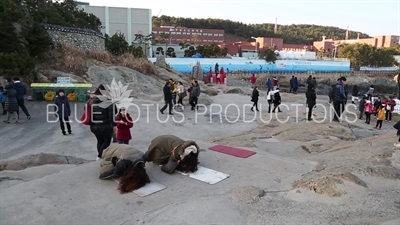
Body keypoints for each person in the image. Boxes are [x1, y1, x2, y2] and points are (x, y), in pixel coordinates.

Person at [90, 84, 118, 161]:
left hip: (94, 126)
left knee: (100, 141)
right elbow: (112, 115)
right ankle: (100, 156)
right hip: (106, 126)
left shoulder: (92, 101)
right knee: (106, 141)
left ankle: (99, 156)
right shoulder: (108, 102)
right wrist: (114, 125)